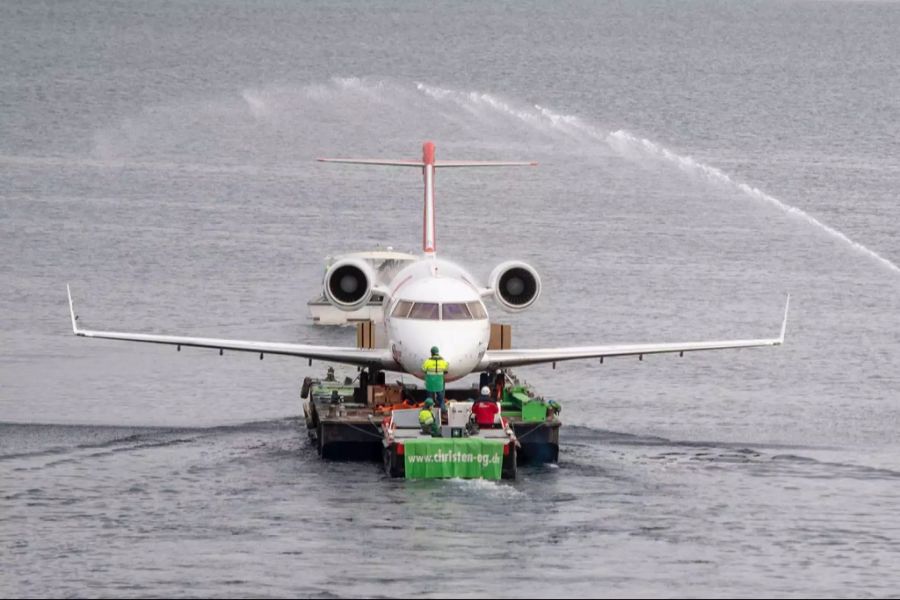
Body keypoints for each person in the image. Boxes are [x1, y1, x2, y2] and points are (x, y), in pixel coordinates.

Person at [421, 346, 449, 410]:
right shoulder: (442, 361)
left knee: (429, 398)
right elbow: (446, 367)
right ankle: (442, 410)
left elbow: (423, 369)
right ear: (437, 352)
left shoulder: (428, 361)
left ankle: (430, 410)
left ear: (431, 353)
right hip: (439, 382)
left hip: (430, 383)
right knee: (441, 398)